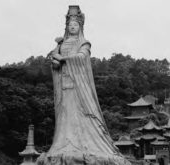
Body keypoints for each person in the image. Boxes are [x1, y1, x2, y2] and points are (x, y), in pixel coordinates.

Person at [37, 6, 130, 165]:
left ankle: (85, 143)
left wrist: (63, 59)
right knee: (66, 113)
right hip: (65, 85)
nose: (72, 27)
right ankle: (64, 143)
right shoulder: (61, 44)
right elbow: (56, 63)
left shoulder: (84, 43)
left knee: (80, 113)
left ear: (80, 28)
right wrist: (55, 62)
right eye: (70, 25)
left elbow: (81, 58)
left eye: (75, 25)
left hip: (79, 85)